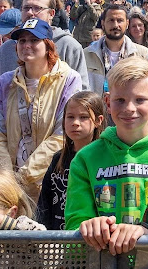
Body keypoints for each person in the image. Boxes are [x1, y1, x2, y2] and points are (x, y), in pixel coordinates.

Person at [65, 57, 148, 253]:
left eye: (140, 100)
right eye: (120, 100)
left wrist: (146, 232)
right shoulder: (85, 159)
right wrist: (91, 228)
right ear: (107, 102)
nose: (129, 109)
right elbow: (75, 226)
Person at [0, 19, 83, 198]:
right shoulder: (5, 83)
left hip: (53, 180)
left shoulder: (69, 80)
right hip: (11, 184)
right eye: (22, 41)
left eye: (34, 40)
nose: (26, 45)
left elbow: (61, 135)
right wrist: (7, 179)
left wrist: (24, 176)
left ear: (48, 45)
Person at [0, 0, 89, 92]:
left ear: (51, 13)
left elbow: (82, 94)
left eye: (37, 8)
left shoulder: (69, 46)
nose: (30, 13)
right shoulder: (5, 50)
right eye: (26, 8)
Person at [37, 91, 106, 230]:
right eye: (70, 117)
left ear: (98, 120)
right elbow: (45, 203)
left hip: (90, 239)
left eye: (83, 117)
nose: (75, 123)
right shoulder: (58, 159)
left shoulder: (104, 159)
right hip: (57, 240)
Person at [84, 5, 148, 96]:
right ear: (103, 23)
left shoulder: (144, 55)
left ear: (127, 24)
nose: (115, 25)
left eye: (120, 20)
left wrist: (131, 97)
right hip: (96, 109)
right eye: (111, 20)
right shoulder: (86, 55)